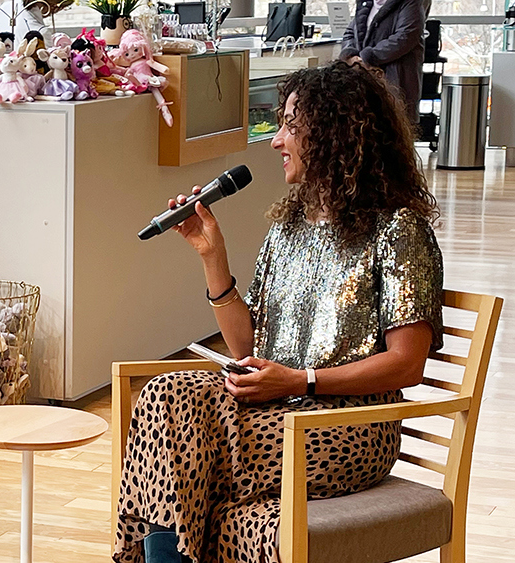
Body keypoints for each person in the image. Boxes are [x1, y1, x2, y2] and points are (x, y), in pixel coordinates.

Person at [115, 61, 443, 563]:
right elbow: (248, 349)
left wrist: (299, 382)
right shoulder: (288, 225)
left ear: (335, 131)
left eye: (292, 124)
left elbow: (407, 364)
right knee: (167, 394)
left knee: (178, 453)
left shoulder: (398, 230)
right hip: (277, 409)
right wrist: (212, 256)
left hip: (351, 426)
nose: (276, 140)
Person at [339, 0, 426, 123]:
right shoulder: (366, 4)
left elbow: (406, 37)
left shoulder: (410, 3)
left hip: (394, 81)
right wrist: (351, 56)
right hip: (363, 82)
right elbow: (349, 33)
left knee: (393, 130)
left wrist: (368, 58)